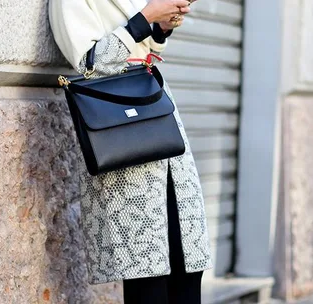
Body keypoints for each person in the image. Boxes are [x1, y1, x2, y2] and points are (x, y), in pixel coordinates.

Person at [48, 0, 212, 303]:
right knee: (147, 273)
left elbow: (145, 50)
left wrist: (160, 28)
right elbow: (90, 63)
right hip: (120, 124)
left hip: (158, 113)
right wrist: (145, 17)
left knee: (187, 261)